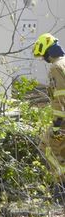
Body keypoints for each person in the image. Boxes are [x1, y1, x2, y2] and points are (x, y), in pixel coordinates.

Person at [34, 33, 65, 203]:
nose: (43, 59)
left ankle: (61, 189)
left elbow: (60, 95)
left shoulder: (56, 67)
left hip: (63, 120)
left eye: (43, 56)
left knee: (46, 147)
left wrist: (57, 124)